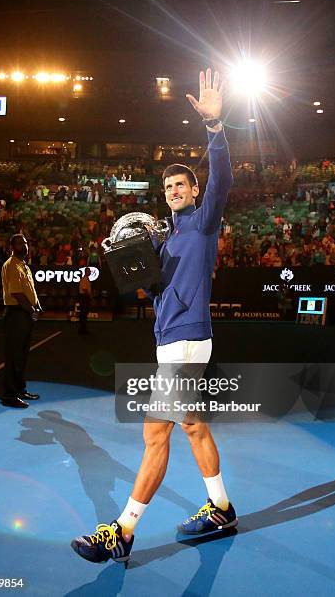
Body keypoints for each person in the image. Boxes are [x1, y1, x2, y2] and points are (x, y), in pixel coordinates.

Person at [71, 68, 237, 566]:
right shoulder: (163, 241)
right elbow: (151, 287)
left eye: (182, 183)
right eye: (168, 186)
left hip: (187, 339)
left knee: (155, 432)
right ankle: (221, 508)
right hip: (172, 337)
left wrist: (214, 126)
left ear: (192, 189)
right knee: (193, 426)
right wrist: (131, 267)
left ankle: (122, 531)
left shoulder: (203, 224)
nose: (174, 190)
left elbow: (223, 179)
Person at [0, 234, 41, 409]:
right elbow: (16, 293)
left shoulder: (24, 266)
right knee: (13, 356)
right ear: (12, 246)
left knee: (22, 355)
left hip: (25, 314)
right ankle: (9, 394)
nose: (24, 245)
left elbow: (30, 290)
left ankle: (20, 389)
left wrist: (37, 306)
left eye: (25, 242)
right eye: (19, 243)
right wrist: (32, 310)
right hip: (17, 314)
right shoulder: (11, 266)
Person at [78, 267, 92, 334]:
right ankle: (82, 329)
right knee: (83, 313)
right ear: (86, 272)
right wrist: (89, 296)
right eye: (89, 271)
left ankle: (83, 328)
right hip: (84, 297)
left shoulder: (86, 279)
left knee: (84, 313)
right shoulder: (84, 279)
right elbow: (84, 289)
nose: (90, 272)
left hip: (85, 297)